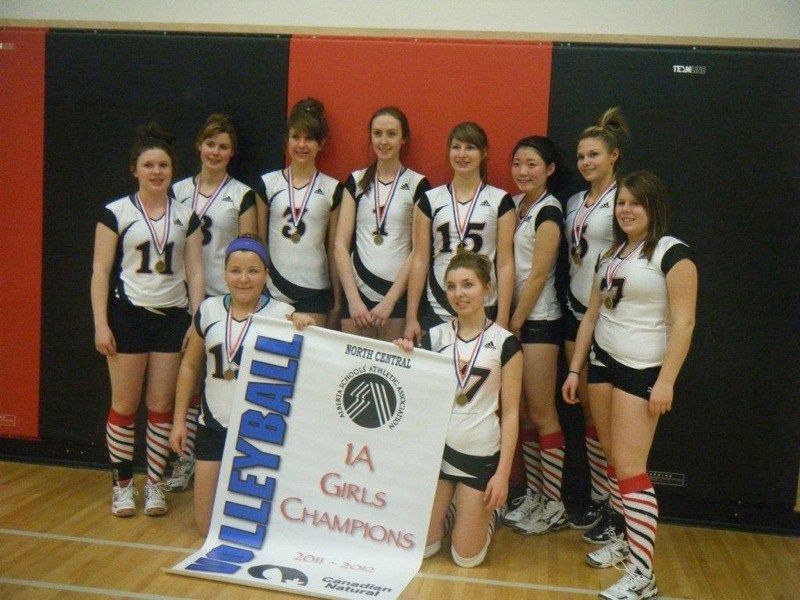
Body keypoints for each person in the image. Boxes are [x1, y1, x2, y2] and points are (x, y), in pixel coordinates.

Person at [562, 171, 696, 599]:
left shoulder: (673, 255)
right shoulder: (612, 254)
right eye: (621, 203)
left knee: (632, 469)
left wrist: (667, 381)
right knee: (612, 459)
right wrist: (574, 369)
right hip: (601, 365)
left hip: (642, 371)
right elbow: (590, 316)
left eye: (635, 203)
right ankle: (624, 538)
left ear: (653, 207)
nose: (626, 210)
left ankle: (643, 576)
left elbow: (684, 322)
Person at [91, 123, 204, 517]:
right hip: (127, 317)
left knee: (160, 405)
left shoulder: (187, 216)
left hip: (173, 319)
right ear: (135, 170)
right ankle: (123, 486)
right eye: (149, 165)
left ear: (172, 171)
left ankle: (154, 483)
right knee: (124, 405)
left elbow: (195, 273)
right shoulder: (115, 212)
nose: (157, 171)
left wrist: (195, 321)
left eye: (164, 165)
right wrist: (101, 324)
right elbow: (100, 272)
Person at [170, 235, 314, 535]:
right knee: (205, 528)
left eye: (253, 271)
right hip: (213, 427)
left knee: (258, 528)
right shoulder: (208, 310)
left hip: (258, 434)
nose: (244, 279)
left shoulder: (282, 314)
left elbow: (313, 364)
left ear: (266, 274)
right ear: (224, 273)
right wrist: (178, 421)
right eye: (235, 270)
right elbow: (190, 366)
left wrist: (306, 326)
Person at [396, 250, 521, 567]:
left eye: (468, 284)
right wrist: (403, 359)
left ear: (487, 288)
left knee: (467, 557)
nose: (459, 294)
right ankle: (454, 508)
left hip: (479, 456)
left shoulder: (505, 343)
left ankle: (487, 515)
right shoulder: (433, 337)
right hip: (437, 454)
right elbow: (415, 399)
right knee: (421, 549)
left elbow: (511, 413)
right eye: (451, 286)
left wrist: (503, 474)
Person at [167, 114, 258, 493]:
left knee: (219, 380)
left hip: (224, 300)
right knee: (183, 380)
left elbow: (250, 250)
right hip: (181, 298)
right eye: (210, 144)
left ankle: (225, 463)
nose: (215, 151)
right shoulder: (176, 190)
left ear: (231, 152)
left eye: (223, 146)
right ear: (198, 147)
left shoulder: (242, 194)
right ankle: (186, 457)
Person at [563, 107, 631, 542]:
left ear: (613, 156)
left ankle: (619, 506)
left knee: (608, 419)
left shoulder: (625, 198)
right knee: (587, 411)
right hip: (574, 311)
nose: (586, 162)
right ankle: (601, 499)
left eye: (594, 155)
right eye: (581, 156)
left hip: (608, 316)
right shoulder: (574, 201)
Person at [499, 136, 572, 535]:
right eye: (518, 163)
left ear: (549, 169)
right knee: (524, 413)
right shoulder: (515, 205)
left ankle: (555, 502)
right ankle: (535, 494)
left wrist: (515, 321)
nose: (523, 171)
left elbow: (540, 273)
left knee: (543, 413)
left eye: (531, 164)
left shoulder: (549, 211)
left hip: (539, 322)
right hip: (517, 322)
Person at [404, 122, 515, 343]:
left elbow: (505, 262)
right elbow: (419, 258)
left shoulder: (500, 200)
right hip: (437, 304)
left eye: (470, 147)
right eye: (456, 147)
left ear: (484, 153)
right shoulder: (430, 200)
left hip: (484, 305)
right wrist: (411, 317)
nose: (462, 154)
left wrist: (503, 318)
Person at [334, 107, 430, 341]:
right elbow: (340, 244)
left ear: (403, 138)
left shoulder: (418, 184)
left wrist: (389, 302)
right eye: (377, 134)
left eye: (391, 134)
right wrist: (353, 300)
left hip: (396, 298)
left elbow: (418, 251)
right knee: (354, 373)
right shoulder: (355, 181)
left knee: (391, 375)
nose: (383, 141)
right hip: (357, 298)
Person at [256, 97, 342, 328]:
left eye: (309, 139)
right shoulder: (268, 183)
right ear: (287, 141)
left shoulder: (333, 189)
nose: (302, 145)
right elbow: (259, 241)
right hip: (273, 287)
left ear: (321, 144)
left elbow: (335, 248)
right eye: (296, 137)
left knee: (310, 360)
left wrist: (337, 301)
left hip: (315, 290)